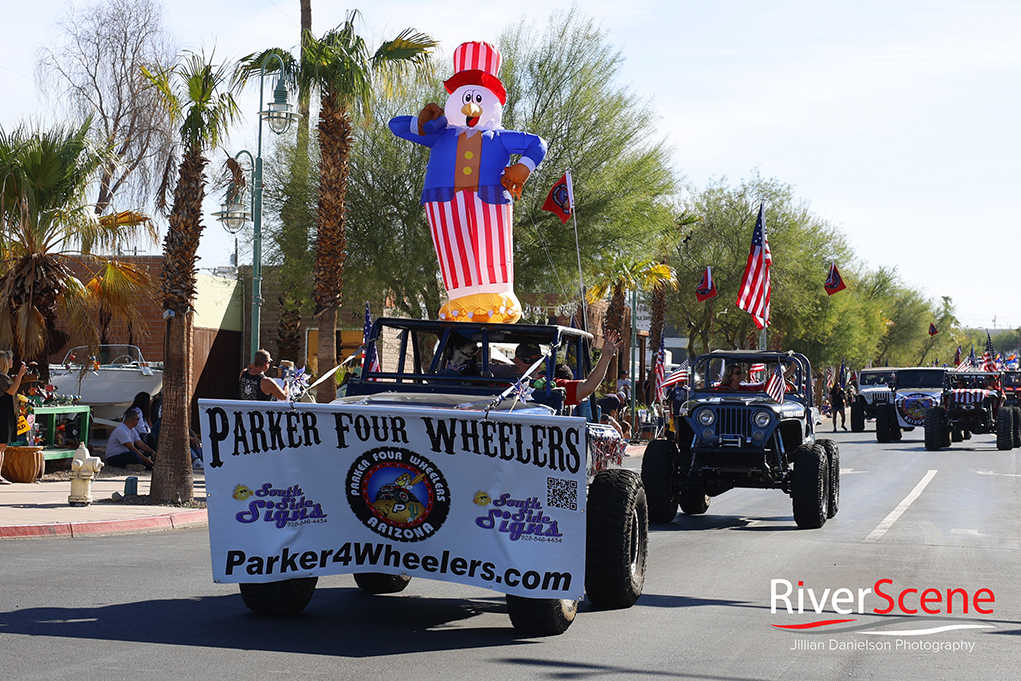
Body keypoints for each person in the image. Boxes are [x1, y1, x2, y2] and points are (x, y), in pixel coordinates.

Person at [0, 351, 29, 484]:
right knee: (1, 446)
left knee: (3, 446)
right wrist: (20, 375)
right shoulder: (1, 377)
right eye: (10, 360)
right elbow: (11, 391)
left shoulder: (5, 376)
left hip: (6, 413)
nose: (12, 362)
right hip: (2, 414)